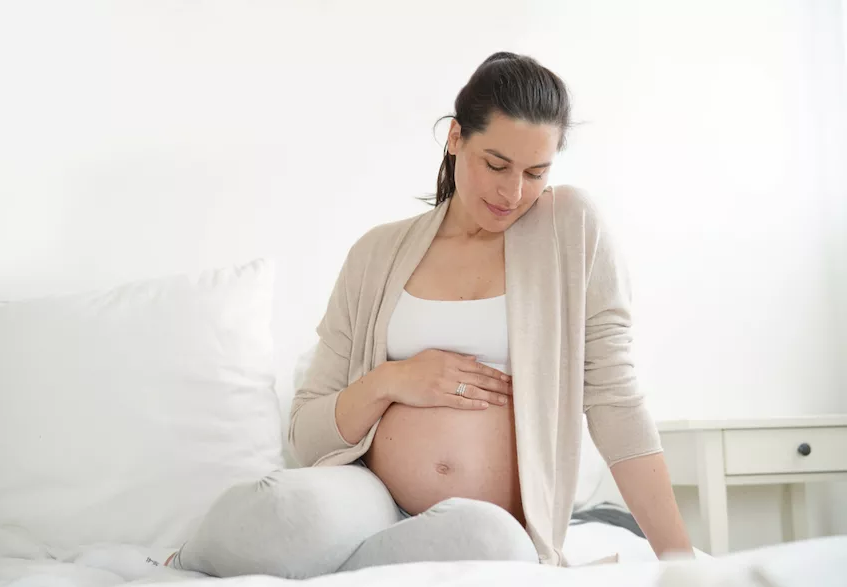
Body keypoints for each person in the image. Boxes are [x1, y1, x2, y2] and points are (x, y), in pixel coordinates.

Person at [166, 51, 694, 579]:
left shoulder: (571, 229)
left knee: (489, 546)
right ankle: (173, 565)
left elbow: (616, 401)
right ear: (456, 138)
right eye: (496, 164)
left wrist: (682, 565)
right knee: (289, 506)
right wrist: (392, 380)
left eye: (536, 172)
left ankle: (328, 571)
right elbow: (307, 433)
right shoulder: (377, 253)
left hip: (490, 520)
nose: (513, 193)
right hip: (368, 493)